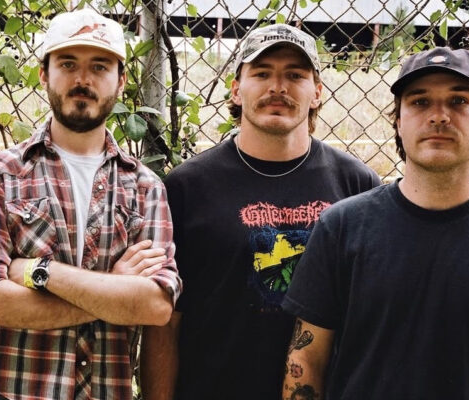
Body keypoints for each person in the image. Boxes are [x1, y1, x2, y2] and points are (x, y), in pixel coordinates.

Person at [0, 8, 182, 400]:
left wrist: (38, 272)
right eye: (68, 64)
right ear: (44, 74)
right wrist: (114, 291)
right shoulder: (1, 175)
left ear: (121, 80)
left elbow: (155, 306)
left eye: (99, 67)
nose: (82, 80)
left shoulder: (145, 188)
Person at [140, 24, 381, 400]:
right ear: (236, 89)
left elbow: (373, 319)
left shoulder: (357, 184)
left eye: (295, 75)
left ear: (317, 92)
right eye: (262, 73)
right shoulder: (188, 187)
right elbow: (165, 324)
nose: (278, 87)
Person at [281, 47, 469, 399]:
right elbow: (306, 360)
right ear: (398, 121)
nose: (439, 117)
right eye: (420, 102)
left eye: (458, 101)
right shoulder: (342, 226)